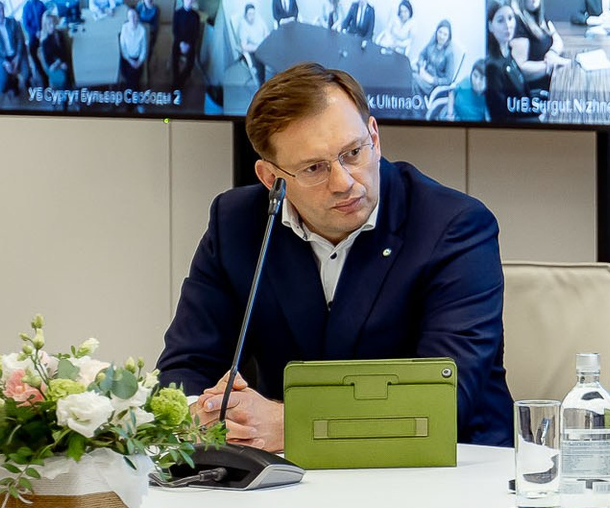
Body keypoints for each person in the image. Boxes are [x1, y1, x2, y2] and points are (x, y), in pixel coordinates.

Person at [159, 64, 513, 447]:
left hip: (449, 463)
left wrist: (292, 424)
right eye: (314, 168)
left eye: (353, 153)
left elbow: (443, 399)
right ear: (270, 178)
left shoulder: (453, 226)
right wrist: (204, 414)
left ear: (374, 136)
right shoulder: (237, 224)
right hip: (289, 472)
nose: (343, 182)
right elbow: (185, 367)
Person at [510, 0, 569, 84]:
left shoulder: (538, 15)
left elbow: (557, 40)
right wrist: (551, 64)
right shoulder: (518, 22)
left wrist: (552, 53)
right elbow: (521, 68)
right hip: (536, 88)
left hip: (551, 80)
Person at [483, 0, 534, 121]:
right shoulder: (493, 67)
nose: (508, 25)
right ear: (490, 26)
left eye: (510, 18)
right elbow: (501, 118)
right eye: (501, 21)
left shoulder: (508, 54)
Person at [0, 1, 28, 100]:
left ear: (4, 10)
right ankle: (14, 83)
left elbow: (20, 40)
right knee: (4, 85)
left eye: (1, 10)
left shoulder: (12, 22)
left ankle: (25, 82)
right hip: (4, 58)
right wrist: (5, 62)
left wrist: (17, 57)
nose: (0, 12)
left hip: (16, 53)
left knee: (27, 73)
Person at [414, 20, 460, 93]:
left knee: (412, 79)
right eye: (440, 32)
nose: (441, 36)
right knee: (407, 72)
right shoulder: (433, 42)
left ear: (448, 37)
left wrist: (432, 80)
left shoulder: (449, 53)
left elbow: (448, 80)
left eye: (445, 34)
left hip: (433, 85)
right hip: (424, 74)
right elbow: (422, 55)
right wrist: (421, 68)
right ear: (436, 32)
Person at [231, 2, 269, 84]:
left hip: (264, 45)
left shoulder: (258, 18)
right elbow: (244, 46)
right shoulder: (243, 25)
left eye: (253, 13)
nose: (252, 16)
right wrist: (257, 48)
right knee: (261, 65)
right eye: (249, 14)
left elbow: (266, 31)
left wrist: (266, 40)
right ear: (245, 15)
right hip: (254, 50)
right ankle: (262, 84)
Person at [172, 0, 204, 86]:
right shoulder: (177, 13)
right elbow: (175, 30)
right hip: (178, 42)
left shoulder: (196, 16)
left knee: (190, 64)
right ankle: (176, 81)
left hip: (190, 43)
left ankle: (179, 81)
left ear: (193, 1)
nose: (189, 1)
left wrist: (188, 44)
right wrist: (181, 43)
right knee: (174, 60)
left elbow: (196, 33)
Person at [37, 10, 72, 90]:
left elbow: (63, 51)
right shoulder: (45, 41)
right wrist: (60, 64)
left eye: (53, 23)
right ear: (45, 25)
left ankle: (69, 90)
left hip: (61, 62)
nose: (52, 26)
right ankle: (64, 95)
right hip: (53, 66)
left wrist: (63, 61)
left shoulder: (59, 34)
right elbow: (48, 62)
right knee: (64, 76)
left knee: (68, 69)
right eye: (49, 24)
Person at [118, 6, 149, 88]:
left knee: (134, 75)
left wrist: (139, 61)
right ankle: (133, 90)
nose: (132, 18)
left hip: (137, 59)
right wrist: (130, 60)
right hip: (126, 59)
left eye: (134, 16)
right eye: (130, 16)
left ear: (137, 17)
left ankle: (131, 91)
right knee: (131, 76)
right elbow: (123, 47)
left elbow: (143, 48)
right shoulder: (124, 28)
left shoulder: (142, 30)